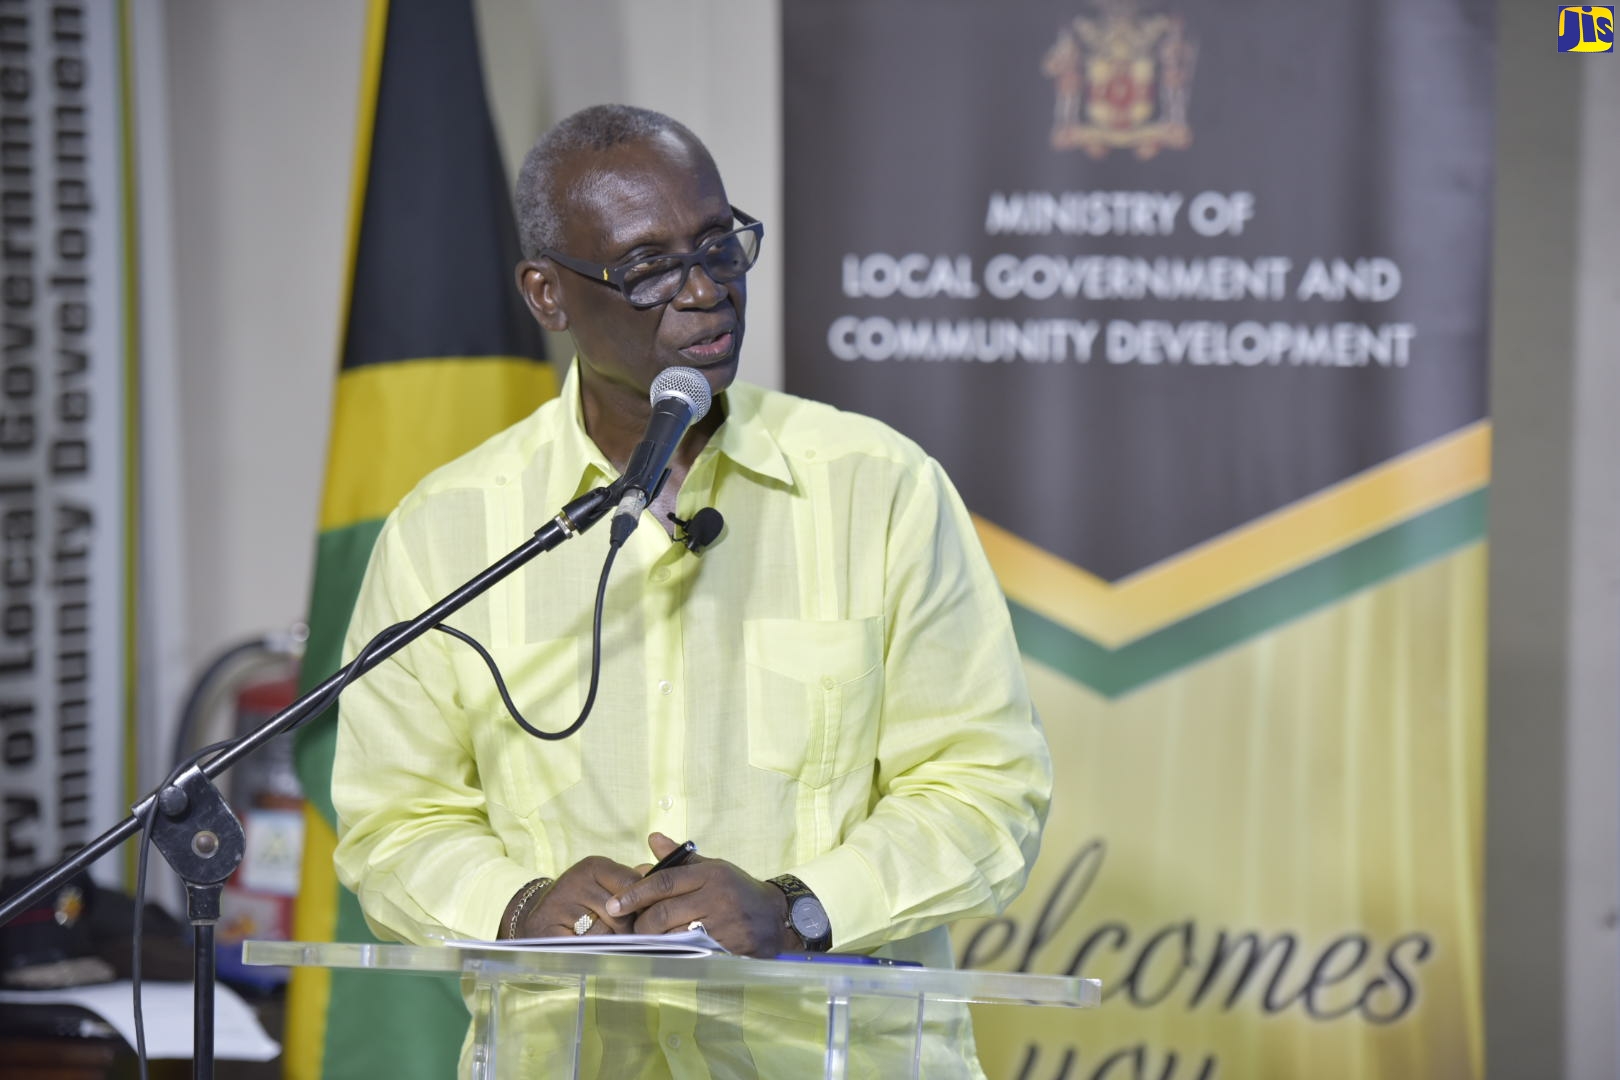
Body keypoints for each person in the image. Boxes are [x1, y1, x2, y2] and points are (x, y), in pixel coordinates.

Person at [330, 103, 1052, 1078]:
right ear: (548, 295)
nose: (705, 290)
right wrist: (516, 907)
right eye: (648, 266)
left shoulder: (878, 488)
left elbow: (986, 787)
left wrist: (800, 906)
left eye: (720, 247)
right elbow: (393, 819)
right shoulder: (450, 529)